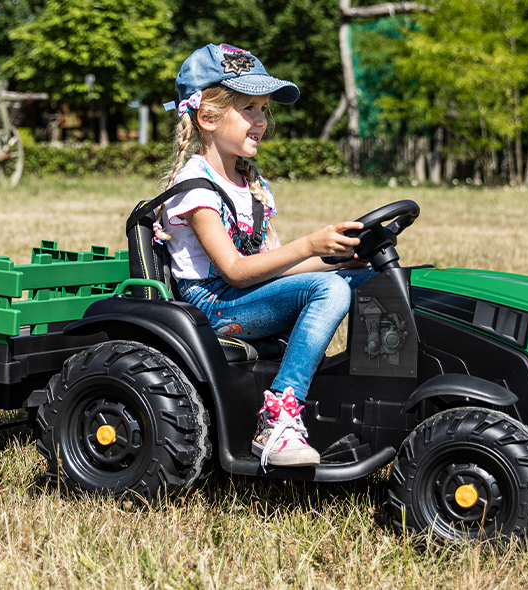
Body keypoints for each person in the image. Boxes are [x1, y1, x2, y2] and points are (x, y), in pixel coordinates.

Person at [156, 44, 376, 467]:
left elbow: (277, 267)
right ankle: (276, 420)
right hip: (212, 306)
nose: (262, 121)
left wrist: (339, 258)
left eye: (264, 109)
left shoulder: (252, 184)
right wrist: (311, 246)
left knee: (359, 278)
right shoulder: (196, 189)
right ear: (207, 117)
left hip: (249, 294)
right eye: (249, 109)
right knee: (329, 289)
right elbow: (237, 272)